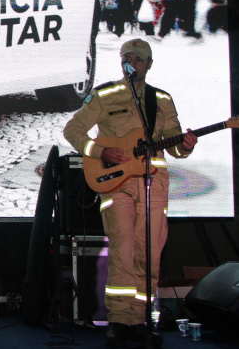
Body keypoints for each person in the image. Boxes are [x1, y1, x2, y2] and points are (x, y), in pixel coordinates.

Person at [63, 38, 197, 347]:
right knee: (122, 250)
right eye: (127, 57)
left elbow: (174, 144)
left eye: (138, 58)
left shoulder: (162, 99)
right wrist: (99, 150)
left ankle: (142, 319)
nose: (132, 62)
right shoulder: (104, 94)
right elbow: (73, 130)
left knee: (148, 254)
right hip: (117, 182)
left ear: (149, 64)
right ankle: (119, 320)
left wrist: (184, 146)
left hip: (154, 184)